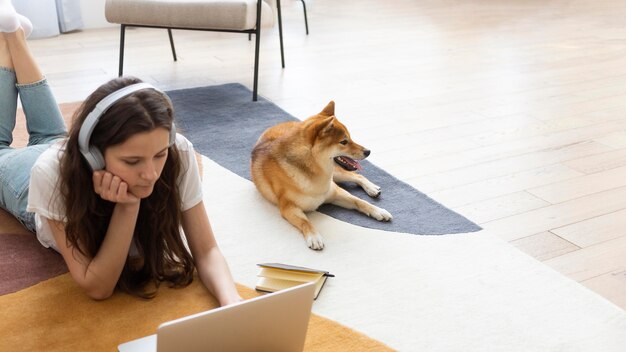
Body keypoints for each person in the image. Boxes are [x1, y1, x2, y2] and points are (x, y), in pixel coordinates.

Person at [0, 2, 242, 304]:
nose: (151, 173)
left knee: (50, 136)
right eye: (132, 161)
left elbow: (207, 251)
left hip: (62, 153)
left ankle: (12, 32)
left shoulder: (176, 150)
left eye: (158, 155)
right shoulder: (50, 175)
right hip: (27, 183)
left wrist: (233, 304)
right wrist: (127, 207)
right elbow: (97, 286)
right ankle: (11, 35)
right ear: (94, 154)